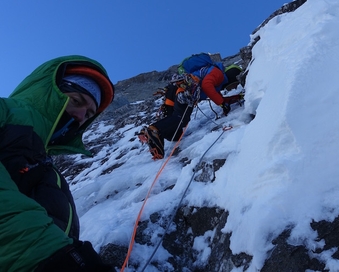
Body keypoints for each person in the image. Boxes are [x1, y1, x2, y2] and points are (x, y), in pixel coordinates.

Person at [0, 55, 115, 271]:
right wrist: (49, 254)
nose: (81, 117)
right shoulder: (5, 112)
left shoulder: (47, 167)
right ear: (50, 92)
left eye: (89, 113)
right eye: (76, 100)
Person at [139, 63, 243, 160]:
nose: (233, 86)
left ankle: (156, 139)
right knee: (181, 118)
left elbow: (217, 96)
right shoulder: (217, 73)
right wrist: (222, 104)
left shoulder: (212, 75)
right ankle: (154, 129)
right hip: (183, 89)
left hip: (174, 91)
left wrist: (233, 98)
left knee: (175, 135)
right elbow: (207, 86)